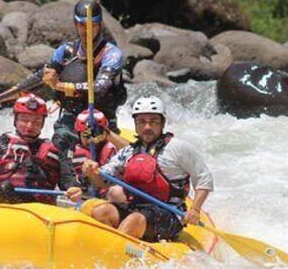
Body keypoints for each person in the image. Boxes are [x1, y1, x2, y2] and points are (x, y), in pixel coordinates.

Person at [0, 0, 127, 155]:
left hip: (101, 120)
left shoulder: (111, 54)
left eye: (91, 25)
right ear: (75, 24)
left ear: (99, 26)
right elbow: (37, 80)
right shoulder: (66, 51)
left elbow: (98, 88)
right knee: (59, 144)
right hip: (70, 120)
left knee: (105, 154)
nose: (86, 29)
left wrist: (58, 86)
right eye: (82, 25)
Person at [80, 96, 213, 242]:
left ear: (162, 123)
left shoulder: (177, 147)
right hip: (135, 208)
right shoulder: (128, 152)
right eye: (141, 122)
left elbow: (203, 177)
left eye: (153, 121)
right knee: (101, 212)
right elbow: (101, 181)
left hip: (169, 213)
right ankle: (117, 248)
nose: (147, 127)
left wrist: (195, 209)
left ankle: (115, 251)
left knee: (134, 220)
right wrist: (92, 171)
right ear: (136, 125)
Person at [62, 109, 119, 201]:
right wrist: (82, 178)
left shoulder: (113, 148)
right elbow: (66, 180)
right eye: (85, 135)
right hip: (82, 196)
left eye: (95, 135)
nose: (90, 139)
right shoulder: (72, 151)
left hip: (105, 197)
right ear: (78, 135)